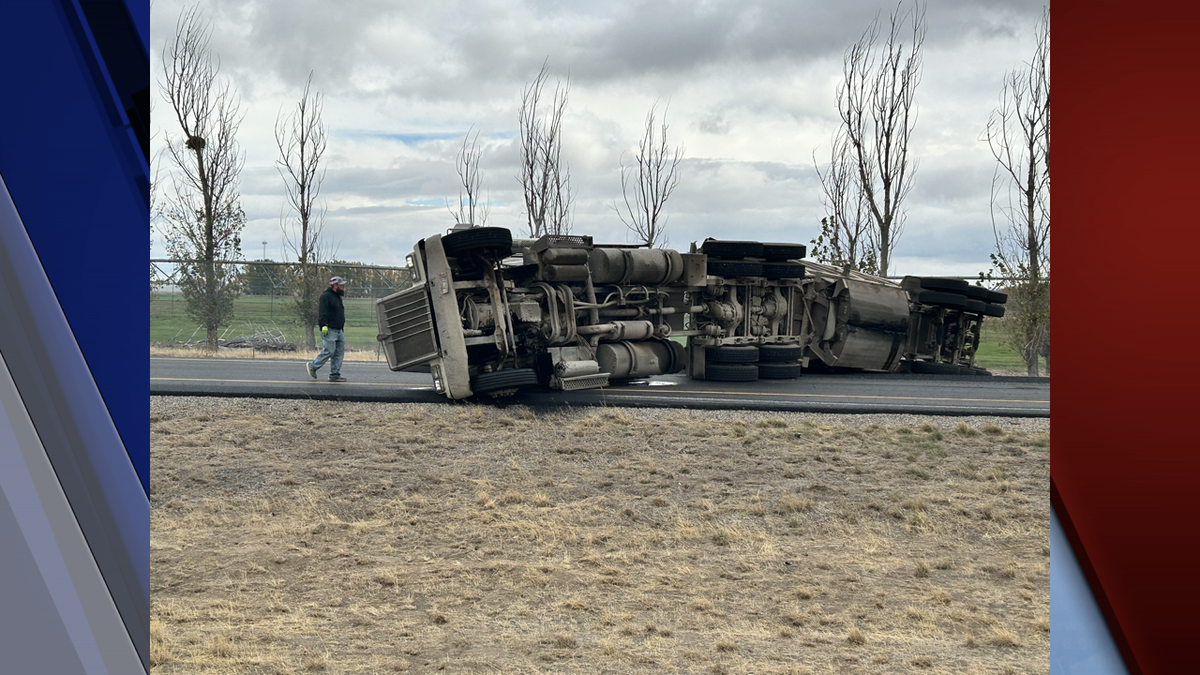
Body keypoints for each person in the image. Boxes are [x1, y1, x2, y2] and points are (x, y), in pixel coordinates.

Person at [307, 276, 348, 382]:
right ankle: (313, 366)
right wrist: (323, 325)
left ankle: (334, 374)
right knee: (329, 351)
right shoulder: (326, 296)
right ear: (335, 285)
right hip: (330, 329)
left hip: (339, 330)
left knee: (338, 353)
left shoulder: (337, 297)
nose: (343, 287)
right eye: (341, 285)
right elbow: (323, 312)